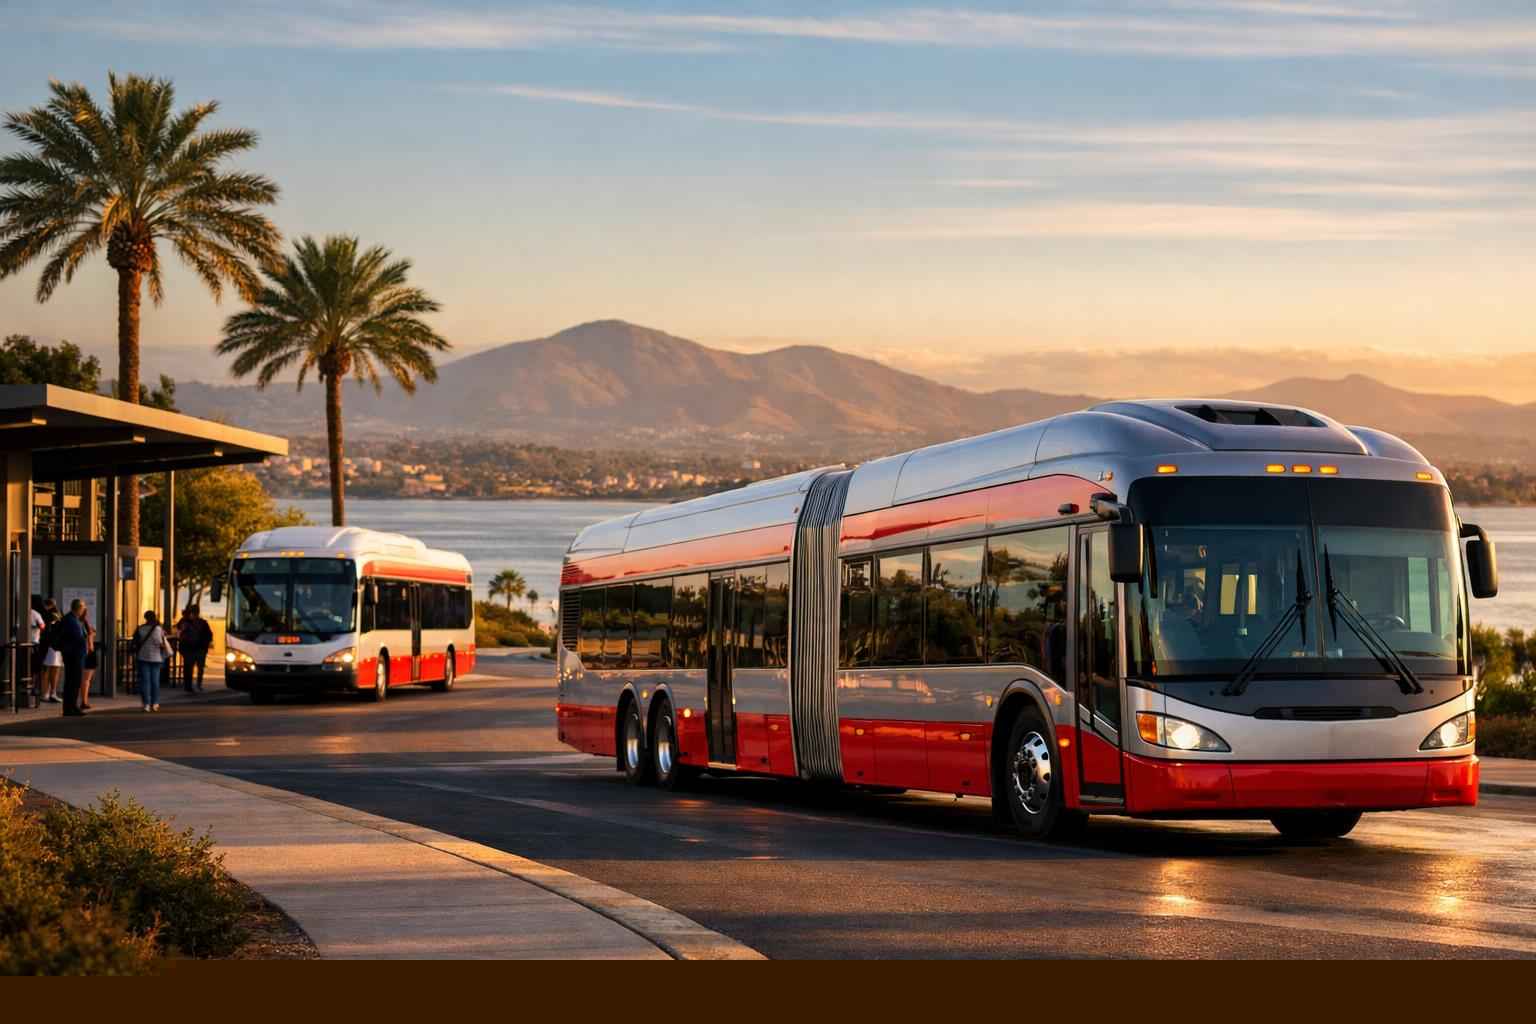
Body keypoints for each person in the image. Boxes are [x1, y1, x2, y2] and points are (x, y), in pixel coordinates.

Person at [132, 610, 172, 712]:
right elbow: (159, 642)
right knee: (155, 681)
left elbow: (135, 642)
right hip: (156, 658)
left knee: (145, 681)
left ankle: (146, 704)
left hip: (143, 657)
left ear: (145, 618)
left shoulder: (140, 628)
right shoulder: (158, 629)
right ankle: (155, 703)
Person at [57, 599, 89, 717]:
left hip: (72, 654)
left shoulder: (71, 619)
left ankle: (71, 706)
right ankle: (70, 707)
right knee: (73, 682)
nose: (84, 610)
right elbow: (78, 638)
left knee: (72, 681)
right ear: (79, 608)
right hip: (74, 655)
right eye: (83, 608)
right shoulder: (72, 621)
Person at [176, 605, 213, 694]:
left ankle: (188, 686)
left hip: (189, 649)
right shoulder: (203, 622)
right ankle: (198, 685)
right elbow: (209, 635)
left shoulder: (184, 621)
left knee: (189, 668)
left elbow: (178, 628)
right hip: (199, 649)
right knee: (199, 668)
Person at [39, 599, 63, 704]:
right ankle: (50, 693)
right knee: (53, 670)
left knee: (48, 670)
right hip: (55, 646)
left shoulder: (46, 614)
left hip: (50, 645)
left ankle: (47, 693)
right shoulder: (56, 614)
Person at [27, 596, 45, 705]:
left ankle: (28, 685)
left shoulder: (20, 611)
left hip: (22, 643)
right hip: (34, 643)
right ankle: (33, 686)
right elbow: (42, 626)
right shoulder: (35, 613)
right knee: (35, 667)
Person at [79, 607, 97, 709]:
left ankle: (83, 700)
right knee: (86, 680)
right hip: (89, 653)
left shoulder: (79, 625)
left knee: (82, 679)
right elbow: (90, 641)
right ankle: (84, 701)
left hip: (84, 653)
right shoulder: (86, 626)